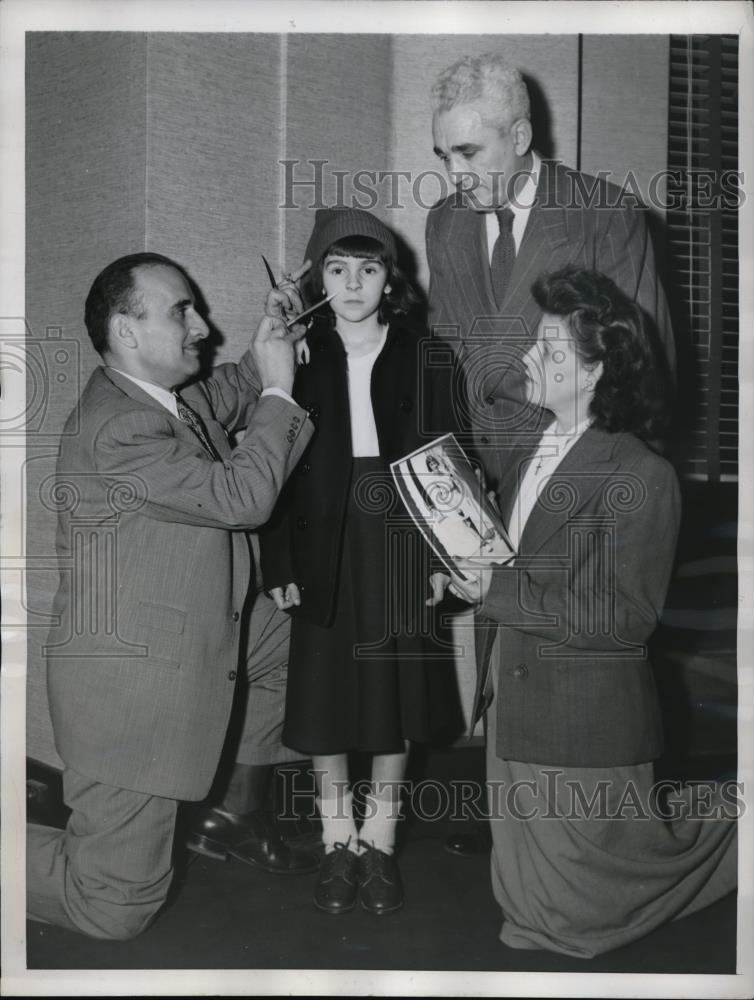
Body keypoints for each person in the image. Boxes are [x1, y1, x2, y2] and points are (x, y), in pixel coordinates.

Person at [430, 266, 737, 958]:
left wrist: (498, 592)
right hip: (515, 688)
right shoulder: (529, 450)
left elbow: (628, 618)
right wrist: (460, 577)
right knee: (534, 904)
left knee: (594, 904)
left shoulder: (640, 474)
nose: (528, 360)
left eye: (550, 348)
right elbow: (515, 561)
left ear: (597, 371)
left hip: (583, 710)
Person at [425, 51, 676, 856]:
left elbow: (644, 361)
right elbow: (448, 351)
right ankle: (516, 809)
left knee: (574, 657)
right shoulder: (443, 224)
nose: (453, 174)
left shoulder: (607, 215)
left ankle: (592, 840)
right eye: (442, 155)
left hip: (575, 475)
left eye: (469, 154)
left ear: (522, 135)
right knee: (509, 649)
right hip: (492, 479)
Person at [27, 252, 314, 939]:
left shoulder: (162, 400)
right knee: (114, 907)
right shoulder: (121, 429)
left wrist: (270, 338)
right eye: (181, 310)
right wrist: (280, 394)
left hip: (191, 635)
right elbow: (242, 497)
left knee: (301, 642)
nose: (201, 325)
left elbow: (232, 388)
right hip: (134, 695)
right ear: (127, 331)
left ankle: (236, 810)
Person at [259, 208, 460, 916]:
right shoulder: (297, 354)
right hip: (324, 540)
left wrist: (444, 555)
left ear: (389, 279)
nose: (352, 284)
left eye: (368, 269)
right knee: (325, 693)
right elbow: (276, 468)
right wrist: (277, 560)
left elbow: (448, 463)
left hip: (404, 535)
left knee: (395, 689)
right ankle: (336, 836)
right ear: (316, 279)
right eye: (337, 270)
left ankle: (380, 839)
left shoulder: (425, 352)